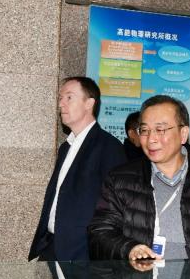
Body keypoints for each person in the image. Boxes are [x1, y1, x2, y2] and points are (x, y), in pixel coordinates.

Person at [88, 95, 190, 262]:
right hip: (137, 277)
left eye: (160, 129)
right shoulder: (120, 179)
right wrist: (129, 249)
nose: (151, 139)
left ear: (183, 134)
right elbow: (100, 232)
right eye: (144, 130)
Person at [28, 77, 127, 262]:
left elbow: (117, 207)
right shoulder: (65, 147)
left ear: (89, 103)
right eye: (60, 98)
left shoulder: (108, 147)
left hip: (83, 253)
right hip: (52, 246)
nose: (61, 104)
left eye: (69, 97)